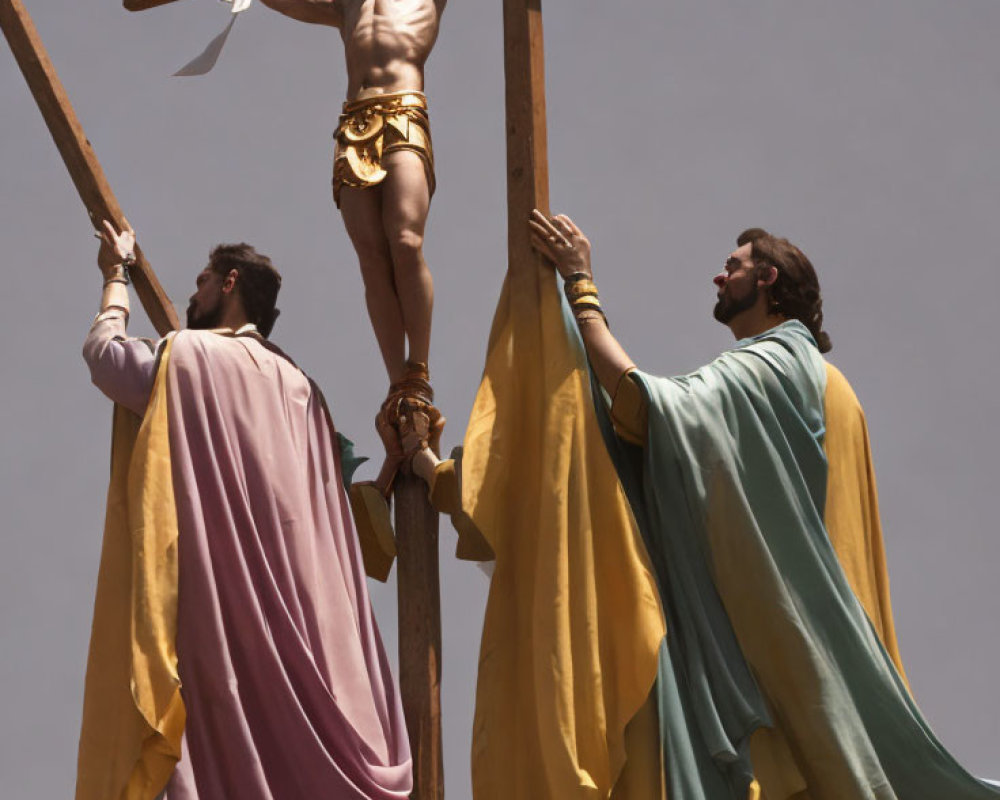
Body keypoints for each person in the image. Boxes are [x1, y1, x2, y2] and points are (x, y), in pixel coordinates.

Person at [521, 210, 1000, 799]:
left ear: (768, 278)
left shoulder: (768, 368)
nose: (719, 279)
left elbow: (643, 406)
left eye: (733, 267)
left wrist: (580, 289)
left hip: (791, 669)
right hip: (825, 670)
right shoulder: (832, 385)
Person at [76, 221, 412, 800]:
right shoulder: (307, 396)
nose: (192, 294)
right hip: (311, 636)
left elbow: (105, 357)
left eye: (202, 281)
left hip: (224, 617)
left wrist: (113, 278)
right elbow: (336, 521)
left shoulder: (187, 357)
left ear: (230, 282)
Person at [255, 0, 446, 453]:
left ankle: (418, 371)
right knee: (372, 256)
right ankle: (398, 381)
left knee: (404, 240)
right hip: (353, 123)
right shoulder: (346, 5)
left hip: (403, 111)